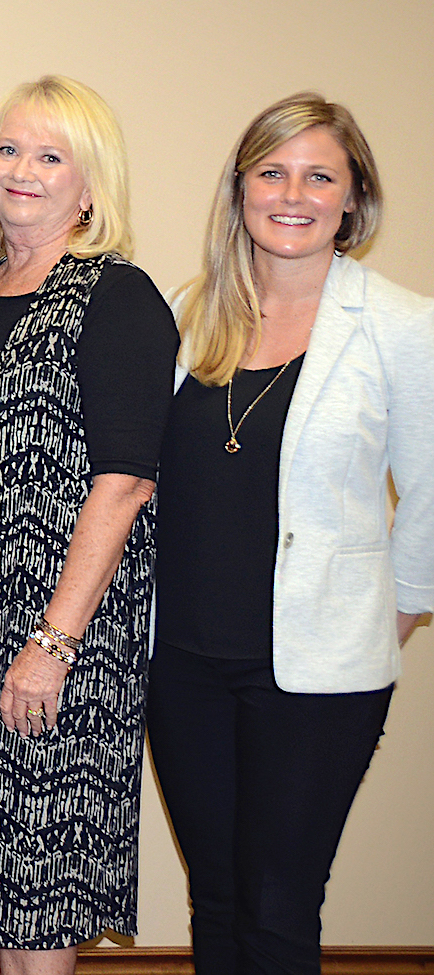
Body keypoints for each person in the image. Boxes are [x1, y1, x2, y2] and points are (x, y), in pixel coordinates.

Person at [147, 93, 433, 975]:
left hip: (317, 672)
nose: (292, 193)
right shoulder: (187, 314)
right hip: (184, 660)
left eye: (320, 175)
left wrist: (395, 618)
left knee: (279, 904)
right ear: (241, 191)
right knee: (219, 895)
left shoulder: (400, 326)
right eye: (271, 172)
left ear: (354, 198)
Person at [0, 76, 178, 972]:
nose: (22, 171)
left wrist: (52, 643)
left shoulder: (116, 296)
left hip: (53, 642)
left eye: (51, 156)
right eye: (10, 149)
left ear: (90, 186)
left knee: (34, 903)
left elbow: (126, 483)